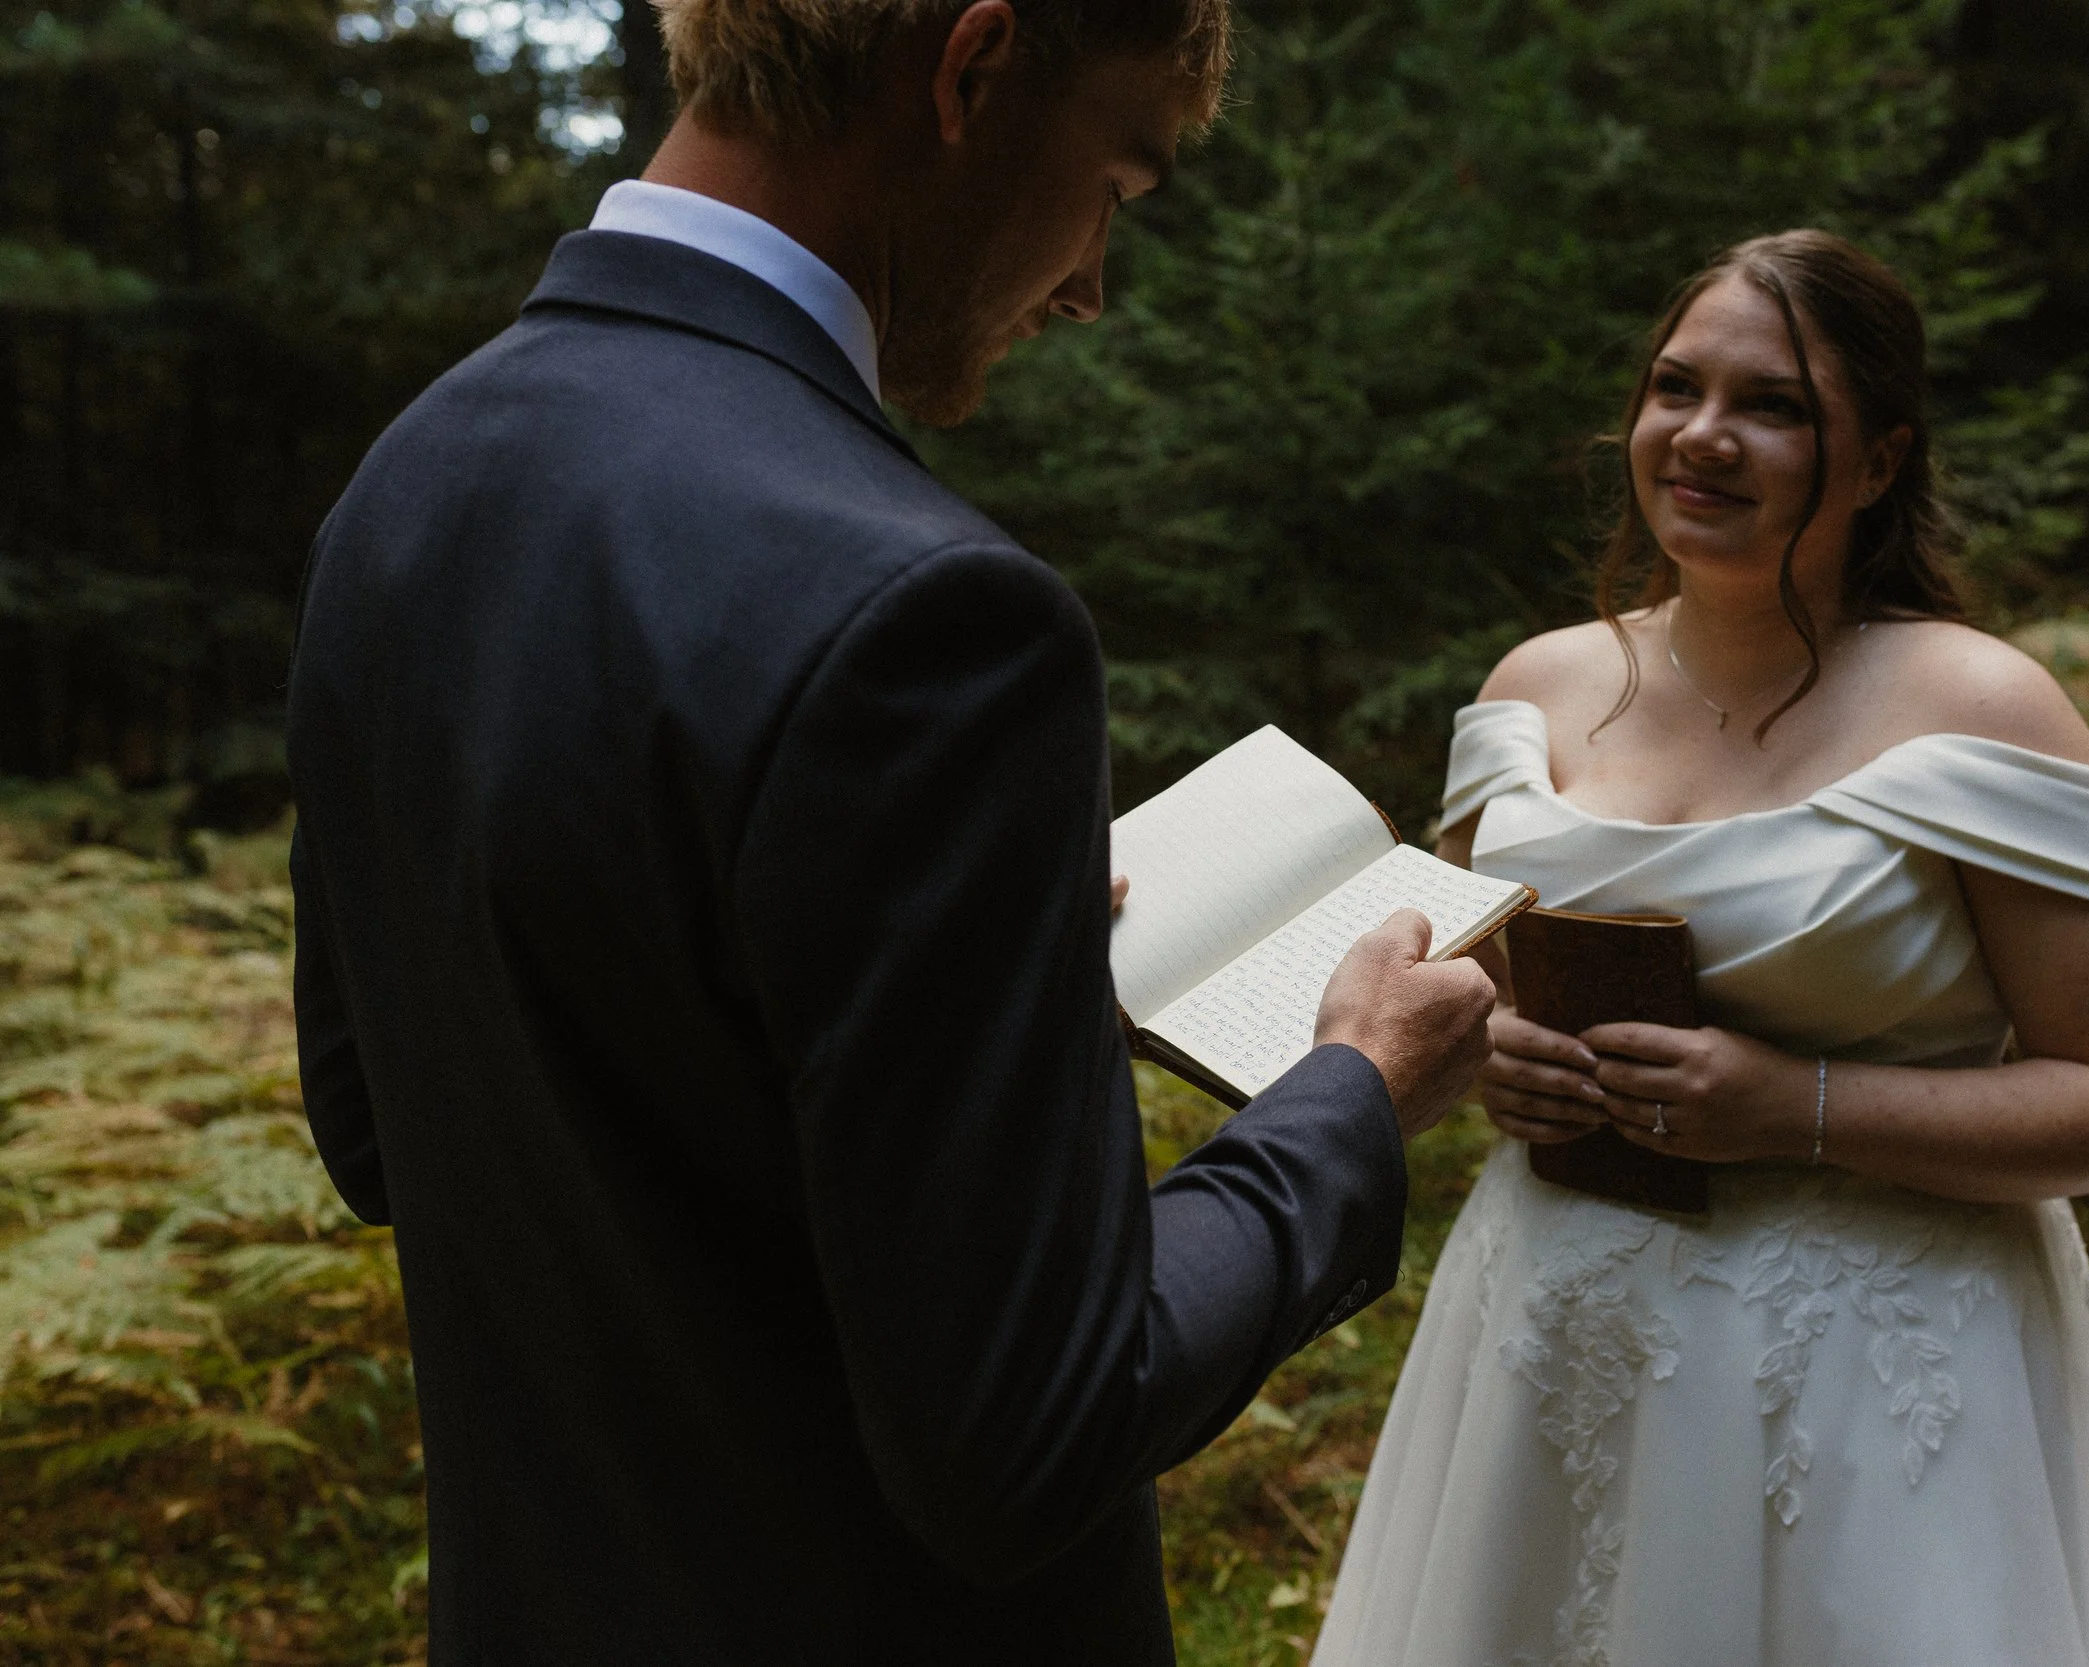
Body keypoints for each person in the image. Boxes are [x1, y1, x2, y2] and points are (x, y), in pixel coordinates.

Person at [284, 2, 1495, 1663]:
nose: (1086, 283)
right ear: (973, 70)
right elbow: (1032, 1425)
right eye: (1116, 189)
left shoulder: (401, 494)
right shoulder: (933, 617)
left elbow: (382, 1126)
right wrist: (1350, 1094)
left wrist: (939, 977)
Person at [1312, 229, 2089, 1667]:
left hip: (1869, 1380)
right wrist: (1497, 1063)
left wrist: (1801, 1105)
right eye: (1677, 388)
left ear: (1878, 460)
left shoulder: (1982, 708)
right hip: (1557, 1334)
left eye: (1773, 405)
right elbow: (1468, 997)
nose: (1704, 438)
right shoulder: (1534, 691)